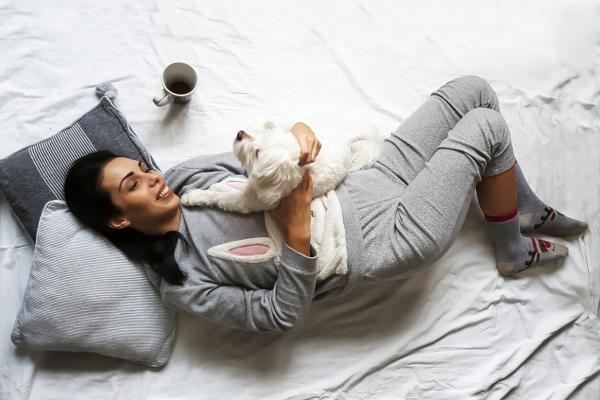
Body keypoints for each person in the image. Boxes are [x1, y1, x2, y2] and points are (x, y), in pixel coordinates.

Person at [64, 75, 588, 332]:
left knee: (473, 90)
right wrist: (294, 237)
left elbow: (258, 154)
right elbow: (276, 316)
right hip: (379, 243)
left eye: (140, 169)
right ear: (118, 216)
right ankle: (511, 248)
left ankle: (517, 207)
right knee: (488, 128)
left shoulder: (183, 177)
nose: (150, 179)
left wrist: (297, 133)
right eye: (132, 186)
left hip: (360, 183)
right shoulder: (183, 281)